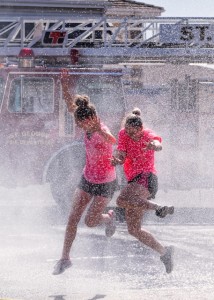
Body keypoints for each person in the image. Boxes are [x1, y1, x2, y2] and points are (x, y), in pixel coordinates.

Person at [53, 70, 117, 275]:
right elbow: (70, 104)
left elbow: (112, 140)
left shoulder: (100, 128)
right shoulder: (83, 118)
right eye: (80, 123)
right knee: (73, 218)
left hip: (105, 182)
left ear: (93, 118)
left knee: (90, 222)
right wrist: (64, 84)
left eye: (85, 123)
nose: (81, 126)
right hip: (87, 178)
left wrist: (99, 129)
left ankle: (108, 218)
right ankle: (64, 258)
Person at [111, 108, 174, 273]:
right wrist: (117, 159)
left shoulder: (147, 134)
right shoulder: (123, 134)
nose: (132, 135)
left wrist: (154, 145)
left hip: (147, 177)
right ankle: (165, 252)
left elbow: (158, 144)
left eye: (135, 132)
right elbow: (122, 154)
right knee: (133, 229)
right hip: (134, 179)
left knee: (120, 200)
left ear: (141, 128)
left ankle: (158, 207)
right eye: (129, 132)